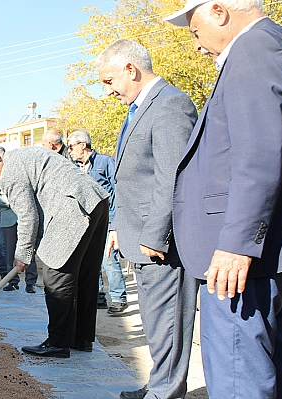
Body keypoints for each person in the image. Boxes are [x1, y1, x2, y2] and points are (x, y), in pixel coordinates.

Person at [165, 1, 282, 397]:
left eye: (195, 31)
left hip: (245, 262)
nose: (195, 46)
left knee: (240, 376)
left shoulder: (253, 48)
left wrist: (236, 244)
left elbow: (257, 153)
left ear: (220, 11)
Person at [95, 39, 199, 399]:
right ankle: (158, 385)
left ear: (131, 69)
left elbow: (172, 177)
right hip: (138, 236)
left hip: (161, 243)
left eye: (109, 82)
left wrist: (156, 234)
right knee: (156, 323)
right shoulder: (139, 110)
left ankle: (165, 392)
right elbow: (132, 179)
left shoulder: (170, 105)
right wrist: (118, 229)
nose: (107, 92)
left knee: (169, 321)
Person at [0, 143, 109, 358]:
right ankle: (81, 338)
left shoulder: (11, 171)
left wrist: (22, 255)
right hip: (96, 201)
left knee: (57, 275)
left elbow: (28, 217)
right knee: (84, 274)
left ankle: (57, 343)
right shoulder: (25, 154)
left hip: (73, 206)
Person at [66, 130, 128, 315]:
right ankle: (98, 295)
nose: (69, 151)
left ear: (82, 145)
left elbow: (118, 191)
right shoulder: (74, 168)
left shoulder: (105, 162)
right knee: (91, 261)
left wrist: (116, 220)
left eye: (71, 146)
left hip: (107, 219)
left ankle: (118, 298)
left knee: (109, 260)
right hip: (86, 222)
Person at [0, 178, 38, 293]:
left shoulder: (21, 171)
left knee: (29, 250)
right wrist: (14, 202)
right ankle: (13, 282)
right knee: (10, 252)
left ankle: (31, 283)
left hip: (26, 217)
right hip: (8, 219)